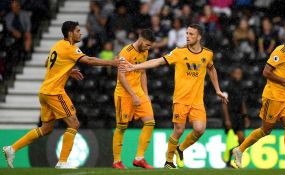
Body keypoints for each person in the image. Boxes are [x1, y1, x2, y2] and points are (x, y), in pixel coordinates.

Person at [2, 21, 119, 169]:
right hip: (54, 92)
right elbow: (89, 60)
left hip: (44, 91)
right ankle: (63, 162)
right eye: (77, 30)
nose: (80, 33)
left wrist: (68, 70)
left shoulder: (57, 45)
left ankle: (12, 149)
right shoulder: (70, 48)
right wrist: (112, 63)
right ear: (70, 33)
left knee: (46, 128)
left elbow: (47, 63)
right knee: (74, 123)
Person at [120, 24, 228, 169]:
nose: (188, 36)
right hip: (181, 99)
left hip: (197, 100)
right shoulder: (178, 52)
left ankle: (180, 149)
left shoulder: (208, 54)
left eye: (191, 34)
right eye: (187, 33)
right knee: (179, 130)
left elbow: (211, 69)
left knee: (200, 129)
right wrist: (134, 67)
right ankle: (169, 161)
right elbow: (157, 61)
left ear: (199, 37)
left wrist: (218, 90)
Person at [233, 32, 285, 169]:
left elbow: (282, 73)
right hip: (272, 96)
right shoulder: (279, 52)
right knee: (265, 130)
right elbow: (266, 72)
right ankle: (240, 150)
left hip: (284, 96)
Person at [112, 29, 156, 169]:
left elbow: (142, 72)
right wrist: (133, 95)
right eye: (147, 45)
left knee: (150, 122)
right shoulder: (126, 52)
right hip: (124, 94)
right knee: (122, 127)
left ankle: (139, 158)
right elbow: (121, 76)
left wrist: (146, 94)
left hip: (138, 92)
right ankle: (117, 161)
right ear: (142, 40)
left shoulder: (144, 51)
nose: (148, 48)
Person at [222, 67, 250, 167]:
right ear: (232, 74)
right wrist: (227, 119)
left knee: (242, 139)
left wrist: (245, 116)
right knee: (231, 140)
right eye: (237, 73)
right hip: (230, 115)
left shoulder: (241, 86)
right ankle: (228, 161)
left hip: (239, 116)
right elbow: (224, 103)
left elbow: (242, 102)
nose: (239, 75)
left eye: (240, 73)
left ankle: (234, 157)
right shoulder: (227, 86)